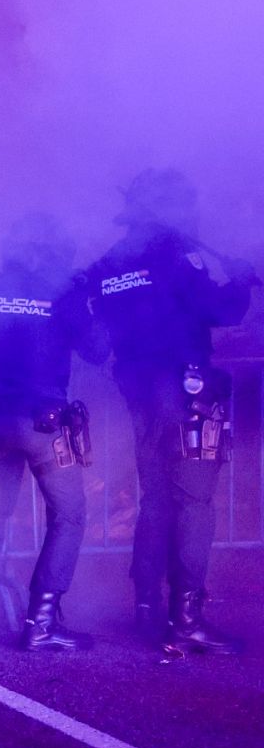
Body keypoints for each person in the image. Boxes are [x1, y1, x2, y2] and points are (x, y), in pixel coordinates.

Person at [83, 169, 255, 654]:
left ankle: (147, 609)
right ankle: (187, 618)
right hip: (184, 393)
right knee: (194, 504)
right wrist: (240, 281)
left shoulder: (109, 263)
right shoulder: (177, 255)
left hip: (137, 391)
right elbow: (222, 310)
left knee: (156, 499)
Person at [0, 213, 106, 651]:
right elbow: (98, 351)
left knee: (2, 475)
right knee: (69, 515)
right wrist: (82, 301)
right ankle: (42, 621)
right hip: (41, 421)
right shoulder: (63, 293)